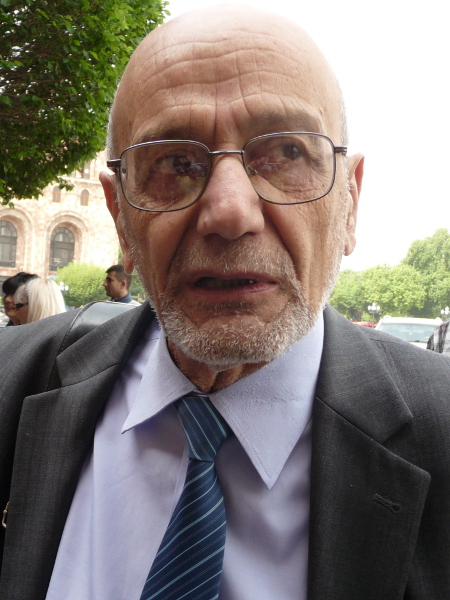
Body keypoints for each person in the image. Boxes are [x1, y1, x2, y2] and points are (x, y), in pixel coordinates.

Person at [1, 7, 450, 600]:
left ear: (350, 202)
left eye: (287, 153)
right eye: (174, 163)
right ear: (118, 213)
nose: (230, 212)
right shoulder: (12, 385)